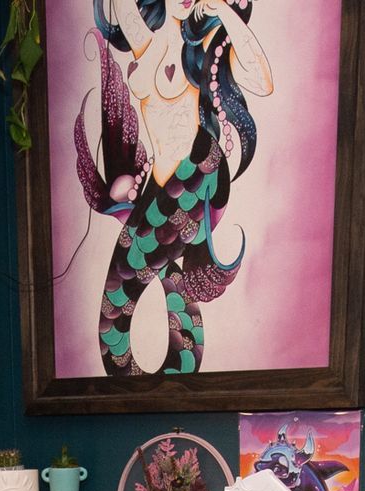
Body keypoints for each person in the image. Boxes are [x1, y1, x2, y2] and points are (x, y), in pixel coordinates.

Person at [82, 0, 272, 376]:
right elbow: (122, 9)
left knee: (117, 308)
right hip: (161, 185)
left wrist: (225, 11)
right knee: (134, 300)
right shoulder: (147, 43)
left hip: (193, 174)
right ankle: (180, 366)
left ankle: (178, 365)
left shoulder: (202, 51)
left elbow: (263, 81)